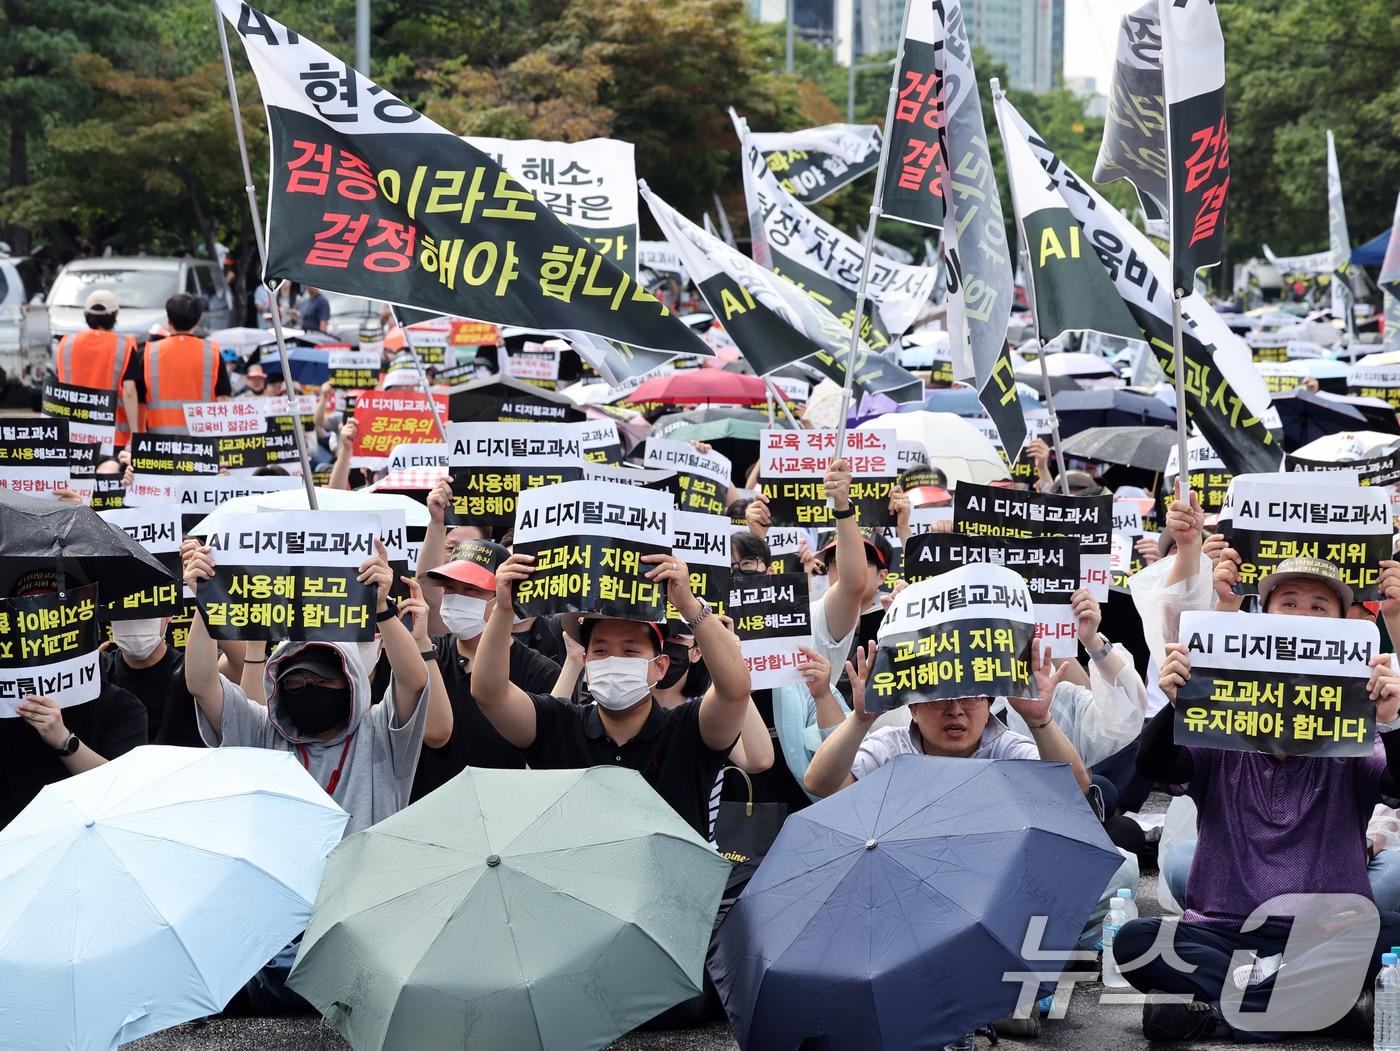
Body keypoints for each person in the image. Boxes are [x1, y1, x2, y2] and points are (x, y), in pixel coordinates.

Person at [1118, 552, 1400, 1042]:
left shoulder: (1358, 732)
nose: (1302, 617)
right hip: (1225, 931)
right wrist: (1176, 706)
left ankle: (1225, 1012)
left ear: (1344, 629)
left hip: (1328, 933)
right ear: (1262, 622)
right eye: (1288, 603)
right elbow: (1156, 767)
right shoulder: (1219, 723)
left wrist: (1394, 721)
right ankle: (1324, 1010)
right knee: (1135, 941)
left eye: (1319, 608)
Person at [472, 550, 753, 839]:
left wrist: (689, 606)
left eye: (630, 651)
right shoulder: (557, 724)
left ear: (660, 667)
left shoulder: (688, 730)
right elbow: (489, 692)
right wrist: (503, 610)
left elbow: (734, 690)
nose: (614, 660)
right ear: (585, 660)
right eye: (601, 650)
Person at [182, 539, 450, 835]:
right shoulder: (263, 732)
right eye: (296, 683)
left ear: (350, 682)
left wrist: (381, 609)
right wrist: (205, 601)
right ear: (279, 687)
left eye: (322, 680)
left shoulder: (379, 735)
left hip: (364, 880)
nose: (310, 688)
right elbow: (202, 684)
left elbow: (413, 681)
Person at [409, 539, 561, 802]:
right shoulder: (426, 653)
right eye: (450, 589)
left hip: (503, 820)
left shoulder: (541, 672)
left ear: (504, 593)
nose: (457, 598)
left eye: (471, 589)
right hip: (427, 814)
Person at [0, 570, 147, 827]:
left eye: (54, 620)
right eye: (28, 622)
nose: (43, 636)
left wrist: (64, 741)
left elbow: (122, 792)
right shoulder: (7, 704)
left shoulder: (121, 707)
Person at [101, 616, 227, 748]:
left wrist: (207, 600)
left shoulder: (195, 672)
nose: (134, 622)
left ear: (169, 614)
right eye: (123, 609)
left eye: (148, 606)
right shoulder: (100, 673)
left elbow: (238, 663)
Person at [53, 289, 141, 447]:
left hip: (74, 434)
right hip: (113, 437)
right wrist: (135, 432)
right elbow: (129, 391)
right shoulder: (124, 345)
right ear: (114, 316)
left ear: (86, 315)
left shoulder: (66, 344)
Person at [140, 292, 231, 433]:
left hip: (158, 441)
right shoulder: (212, 353)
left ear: (169, 321)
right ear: (197, 321)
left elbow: (139, 398)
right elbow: (223, 399)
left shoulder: (149, 353)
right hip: (201, 441)